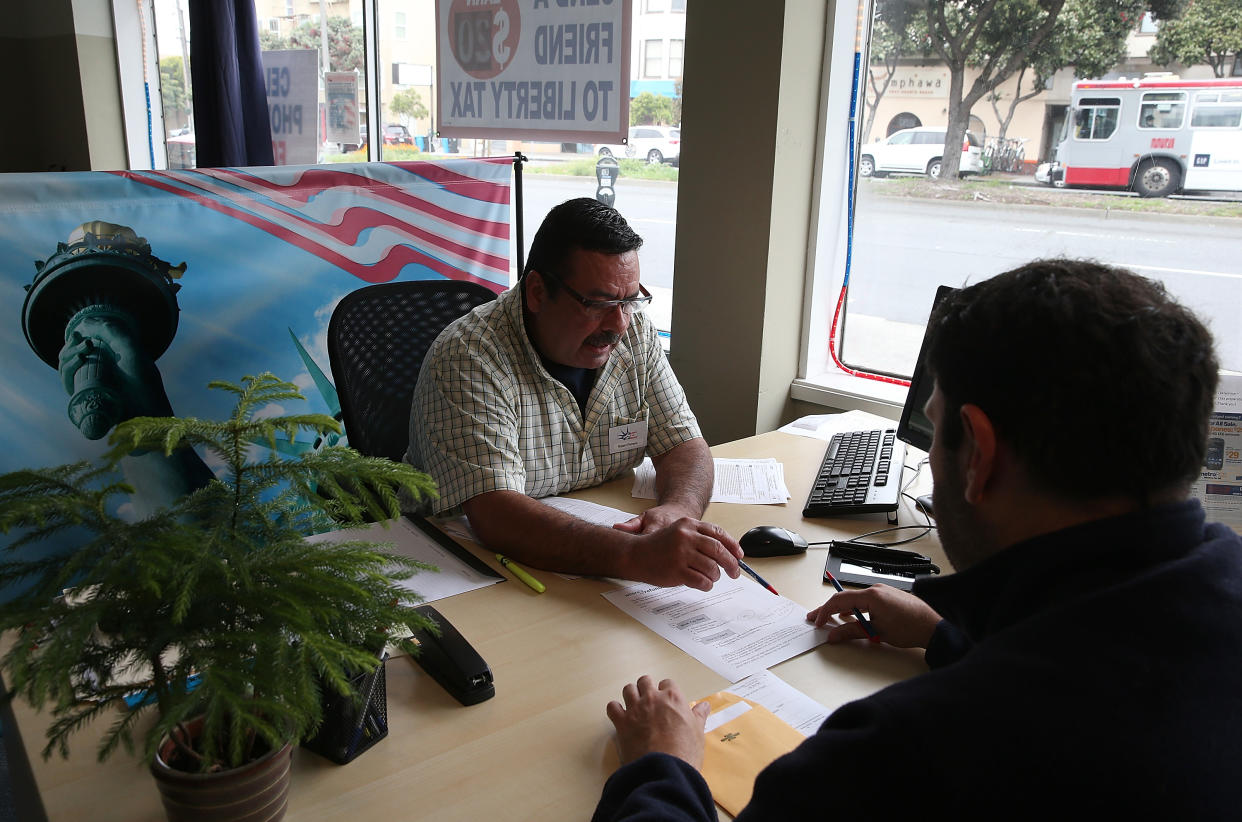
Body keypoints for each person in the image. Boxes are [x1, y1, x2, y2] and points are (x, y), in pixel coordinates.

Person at [592, 259, 1242, 819]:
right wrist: (945, 637)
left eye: (935, 431)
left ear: (978, 454)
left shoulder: (915, 750)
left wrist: (662, 763)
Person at [407, 198, 742, 591]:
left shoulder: (635, 332)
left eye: (629, 300)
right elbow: (495, 513)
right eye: (598, 303)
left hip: (581, 555)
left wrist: (677, 510)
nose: (618, 323)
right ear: (536, 291)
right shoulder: (470, 355)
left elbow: (684, 444)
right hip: (463, 569)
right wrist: (636, 556)